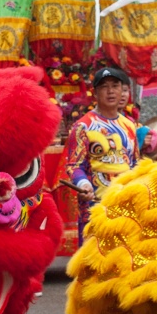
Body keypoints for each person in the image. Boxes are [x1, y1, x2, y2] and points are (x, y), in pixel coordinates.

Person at [62, 66, 139, 243]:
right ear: (95, 93)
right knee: (94, 263)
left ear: (122, 90)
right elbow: (74, 165)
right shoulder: (83, 126)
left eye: (115, 86)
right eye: (104, 87)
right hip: (95, 205)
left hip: (125, 205)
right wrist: (83, 184)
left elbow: (135, 163)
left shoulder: (129, 126)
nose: (110, 91)